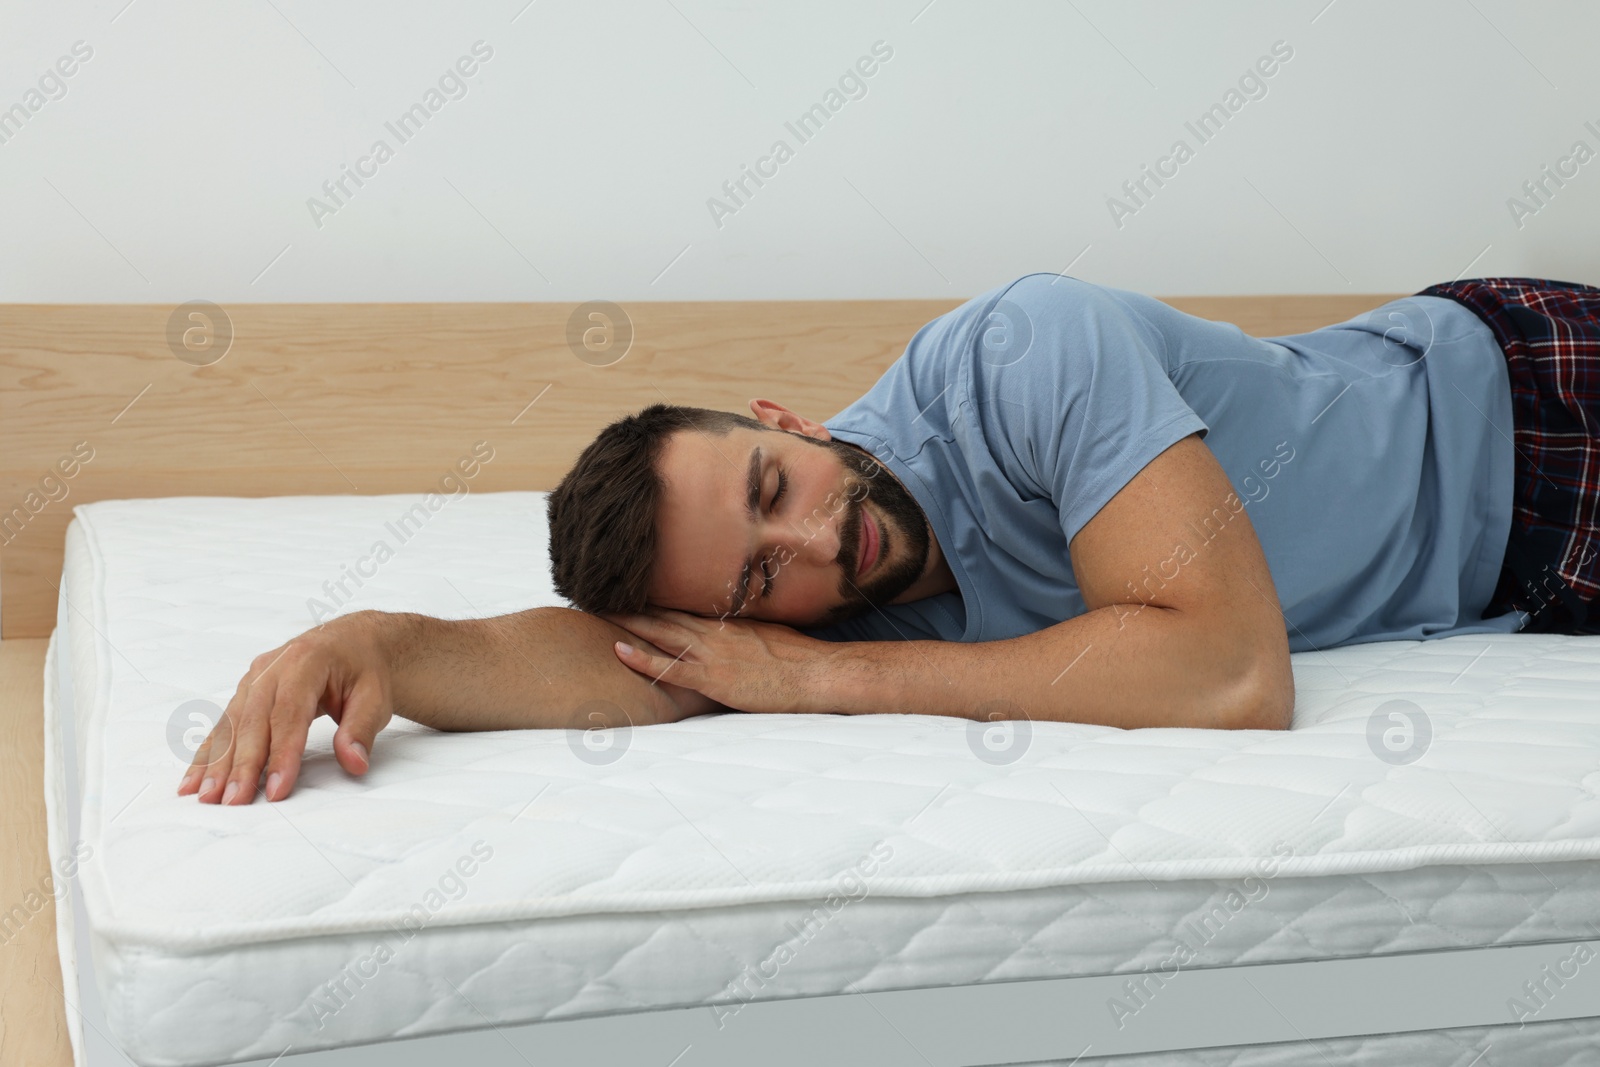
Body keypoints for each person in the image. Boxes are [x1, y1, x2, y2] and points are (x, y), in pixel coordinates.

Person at [178, 274, 1600, 806]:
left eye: (772, 484)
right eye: (756, 584)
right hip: (1518, 586)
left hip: (1530, 414)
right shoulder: (816, 611)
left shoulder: (1023, 353)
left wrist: (826, 685)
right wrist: (373, 647)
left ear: (784, 418)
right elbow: (598, 664)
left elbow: (1230, 677)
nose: (816, 541)